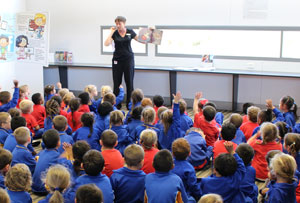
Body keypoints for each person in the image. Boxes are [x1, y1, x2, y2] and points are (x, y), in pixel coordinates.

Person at [104, 16, 143, 109]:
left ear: (124, 23)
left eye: (119, 23)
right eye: (116, 23)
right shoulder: (114, 33)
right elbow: (106, 43)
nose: (118, 25)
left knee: (129, 82)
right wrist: (111, 32)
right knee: (117, 82)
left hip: (128, 59)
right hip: (117, 60)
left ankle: (130, 104)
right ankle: (117, 103)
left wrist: (150, 34)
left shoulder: (130, 31)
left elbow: (141, 40)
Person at [32, 129, 60, 194]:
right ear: (58, 142)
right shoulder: (57, 156)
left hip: (34, 186)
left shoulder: (40, 153)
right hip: (44, 189)